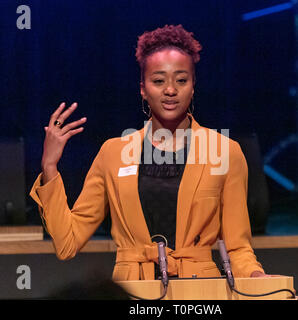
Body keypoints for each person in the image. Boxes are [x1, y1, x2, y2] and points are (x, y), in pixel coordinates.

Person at [30, 24, 267, 281]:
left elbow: (237, 248)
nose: (170, 90)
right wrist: (50, 167)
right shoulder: (114, 153)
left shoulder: (225, 151)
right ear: (143, 88)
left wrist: (257, 277)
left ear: (193, 85)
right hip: (134, 291)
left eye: (181, 80)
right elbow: (68, 243)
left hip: (199, 290)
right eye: (158, 80)